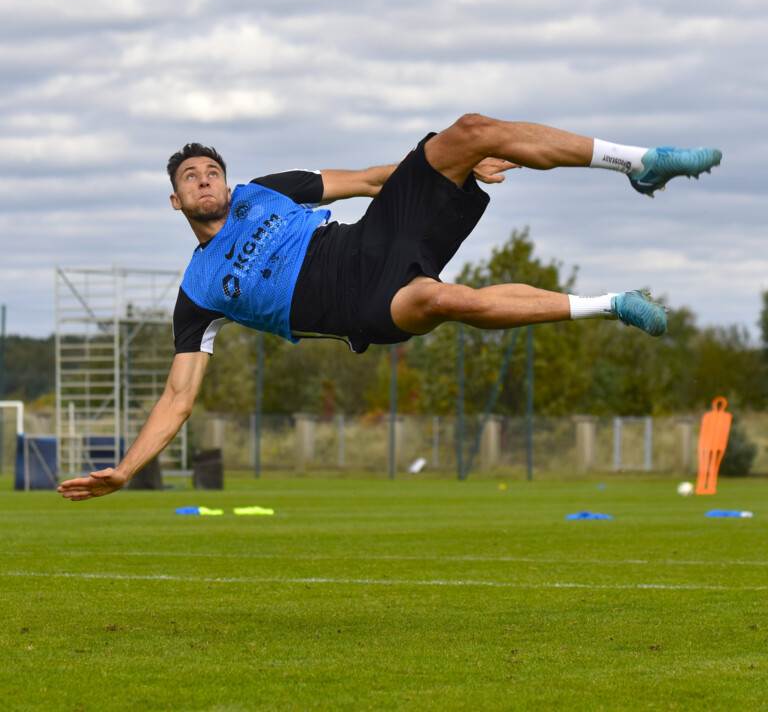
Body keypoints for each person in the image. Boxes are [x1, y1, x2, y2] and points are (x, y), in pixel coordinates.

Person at [58, 114, 722, 501]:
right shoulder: (198, 294)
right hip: (360, 303)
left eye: (211, 171)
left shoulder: (267, 191)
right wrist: (125, 470)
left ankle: (638, 162)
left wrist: (457, 165)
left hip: (372, 237)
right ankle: (610, 305)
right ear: (176, 202)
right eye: (189, 178)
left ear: (227, 181)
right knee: (442, 299)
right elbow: (178, 398)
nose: (205, 180)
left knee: (470, 130)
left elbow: (371, 181)